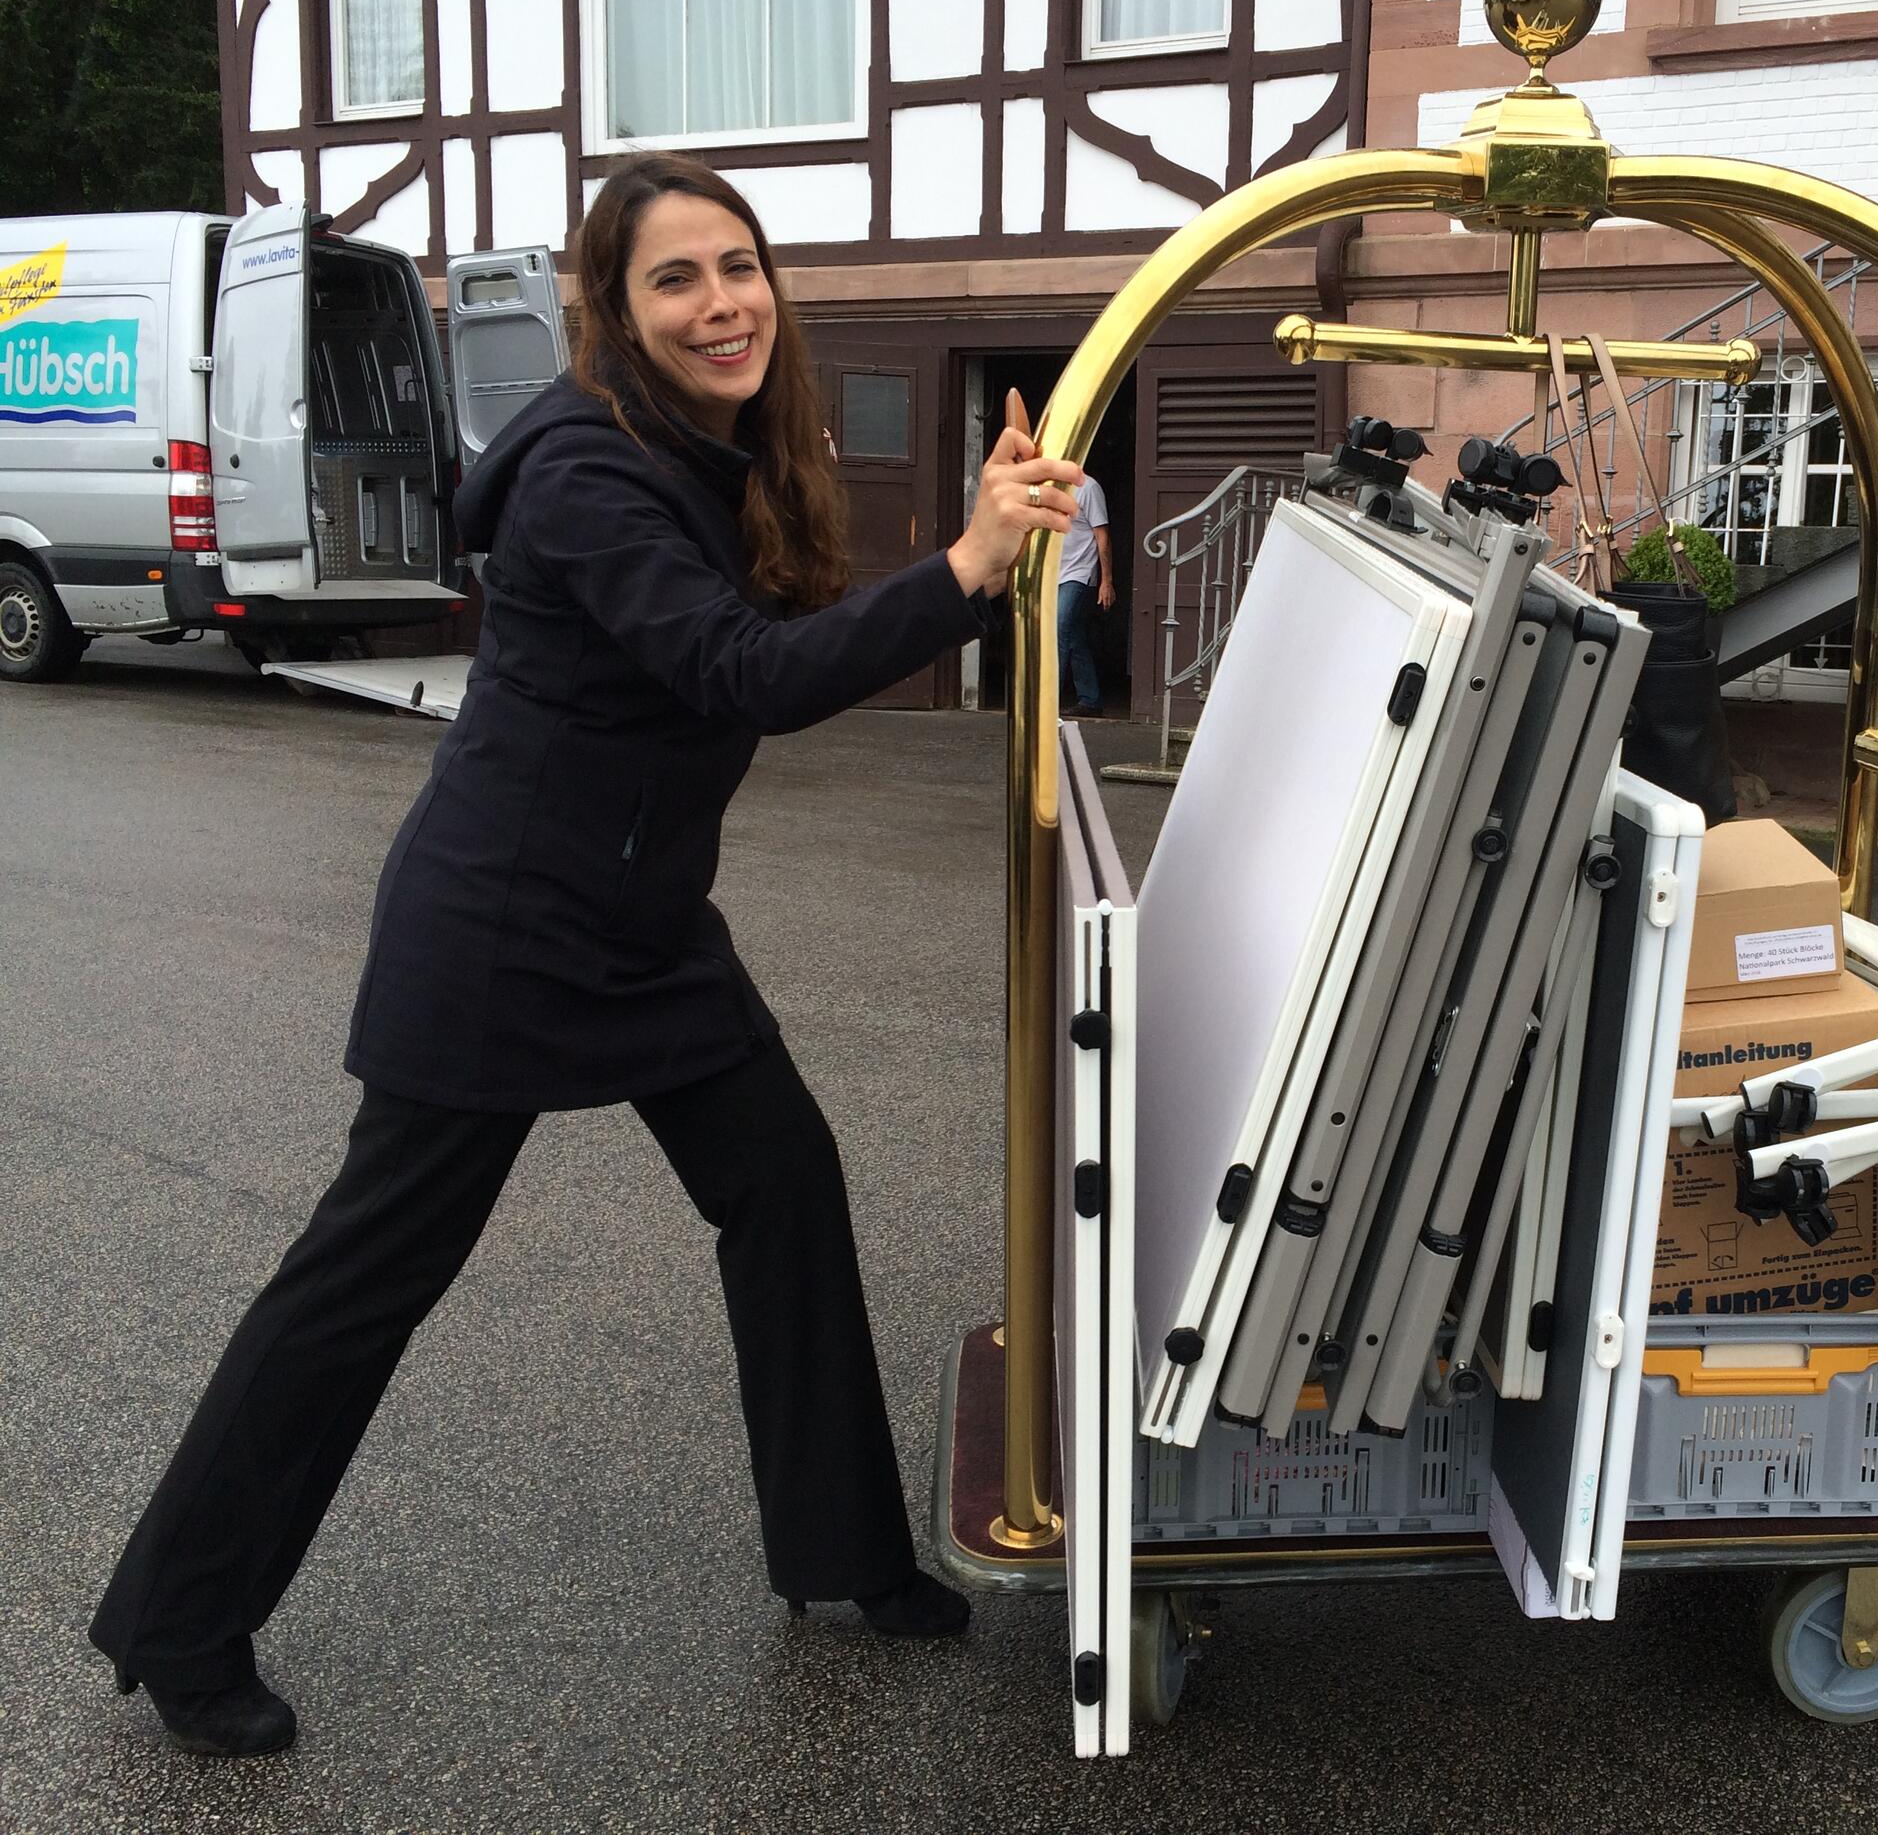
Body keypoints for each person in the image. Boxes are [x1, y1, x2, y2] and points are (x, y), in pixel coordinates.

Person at [86, 153, 1087, 1760]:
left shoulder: (711, 443)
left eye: (739, 266)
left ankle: (842, 1555)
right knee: (364, 1281)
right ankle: (178, 1621)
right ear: (611, 313)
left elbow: (769, 633)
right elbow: (740, 671)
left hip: (640, 923)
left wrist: (973, 547)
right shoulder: (585, 470)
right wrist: (965, 569)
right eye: (675, 279)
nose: (721, 303)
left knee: (785, 1183)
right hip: (500, 931)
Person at [1057, 469, 1114, 716]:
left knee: (1059, 629)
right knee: (1074, 636)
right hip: (1051, 575)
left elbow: (1102, 536)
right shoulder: (1046, 487)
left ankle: (1046, 701)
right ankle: (1090, 700)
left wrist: (1106, 581)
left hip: (1078, 574)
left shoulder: (1088, 487)